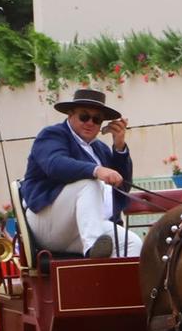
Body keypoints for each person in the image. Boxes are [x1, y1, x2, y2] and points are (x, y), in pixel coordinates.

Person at [20, 87, 140, 258]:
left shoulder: (100, 149)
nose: (90, 122)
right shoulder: (52, 135)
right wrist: (96, 170)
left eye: (97, 119)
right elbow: (54, 164)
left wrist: (119, 146)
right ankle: (93, 248)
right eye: (84, 116)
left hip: (86, 226)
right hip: (47, 222)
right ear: (70, 115)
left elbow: (122, 187)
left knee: (133, 243)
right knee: (89, 183)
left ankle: (112, 282)